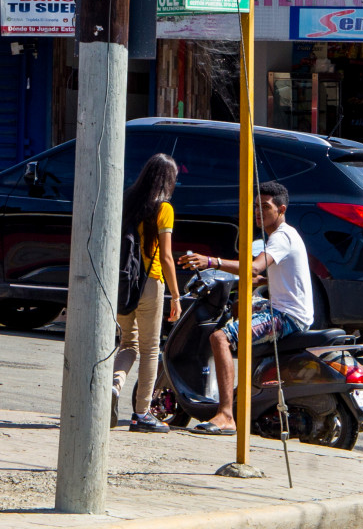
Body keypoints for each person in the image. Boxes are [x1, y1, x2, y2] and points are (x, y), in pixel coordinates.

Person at [177, 182, 314, 434]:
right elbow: (271, 275)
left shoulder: (281, 236)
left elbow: (253, 267)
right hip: (284, 308)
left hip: (286, 316)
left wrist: (212, 261)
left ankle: (226, 414)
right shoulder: (282, 236)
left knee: (220, 338)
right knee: (240, 308)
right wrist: (258, 281)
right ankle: (247, 389)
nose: (259, 212)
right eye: (256, 206)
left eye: (266, 207)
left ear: (282, 209)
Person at [113, 154, 182, 433]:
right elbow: (166, 257)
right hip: (150, 284)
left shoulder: (127, 200)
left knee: (127, 344)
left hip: (123, 283)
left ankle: (113, 387)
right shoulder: (163, 209)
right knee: (150, 349)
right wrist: (176, 295)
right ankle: (141, 414)